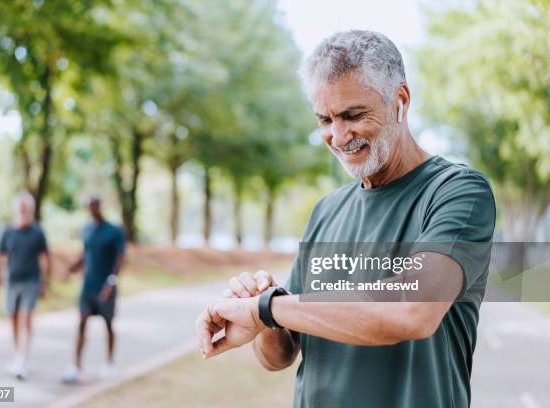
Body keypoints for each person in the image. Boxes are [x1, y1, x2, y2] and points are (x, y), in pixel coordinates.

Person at [196, 30, 496, 408]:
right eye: (324, 119)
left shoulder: (457, 192)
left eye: (353, 115)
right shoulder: (326, 209)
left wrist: (267, 307)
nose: (338, 136)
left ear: (399, 101)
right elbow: (282, 357)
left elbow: (412, 312)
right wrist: (262, 318)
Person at [0, 192, 51, 380]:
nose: (23, 211)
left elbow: (45, 259)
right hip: (11, 282)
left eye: (26, 208)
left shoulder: (38, 232)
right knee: (13, 320)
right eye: (20, 208)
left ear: (31, 210)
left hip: (31, 282)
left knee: (25, 318)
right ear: (16, 210)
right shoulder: (8, 232)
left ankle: (22, 359)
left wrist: (45, 283)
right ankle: (18, 356)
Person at [61, 195, 126, 384]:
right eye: (88, 206)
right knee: (81, 321)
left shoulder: (114, 231)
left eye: (94, 205)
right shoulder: (87, 229)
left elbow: (120, 257)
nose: (91, 209)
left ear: (100, 206)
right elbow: (86, 253)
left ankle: (109, 363)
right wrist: (71, 269)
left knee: (108, 324)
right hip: (88, 285)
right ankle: (76, 366)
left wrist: (111, 282)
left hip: (106, 286)